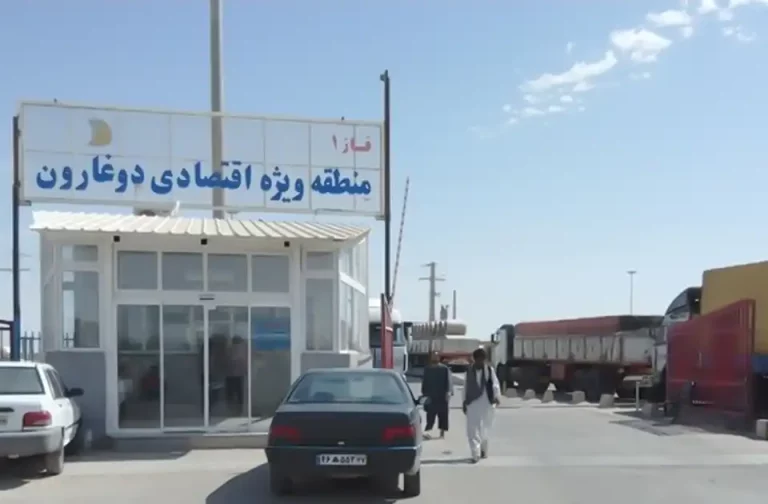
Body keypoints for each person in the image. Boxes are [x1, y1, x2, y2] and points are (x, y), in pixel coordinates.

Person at [462, 347, 501, 463]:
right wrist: (464, 402)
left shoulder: (489, 370)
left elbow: (495, 384)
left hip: (486, 402)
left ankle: (483, 449)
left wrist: (497, 396)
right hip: (472, 403)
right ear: (475, 359)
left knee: (485, 427)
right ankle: (475, 453)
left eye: (482, 359)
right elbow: (465, 387)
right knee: (472, 429)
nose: (480, 362)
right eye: (478, 359)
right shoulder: (469, 371)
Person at [421, 351, 452, 438]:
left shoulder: (444, 369)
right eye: (433, 356)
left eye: (436, 356)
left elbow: (448, 381)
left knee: (443, 415)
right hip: (430, 396)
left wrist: (448, 392)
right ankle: (428, 431)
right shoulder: (427, 369)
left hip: (442, 395)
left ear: (439, 358)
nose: (434, 358)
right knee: (430, 414)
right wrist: (424, 394)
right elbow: (424, 382)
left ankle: (442, 432)